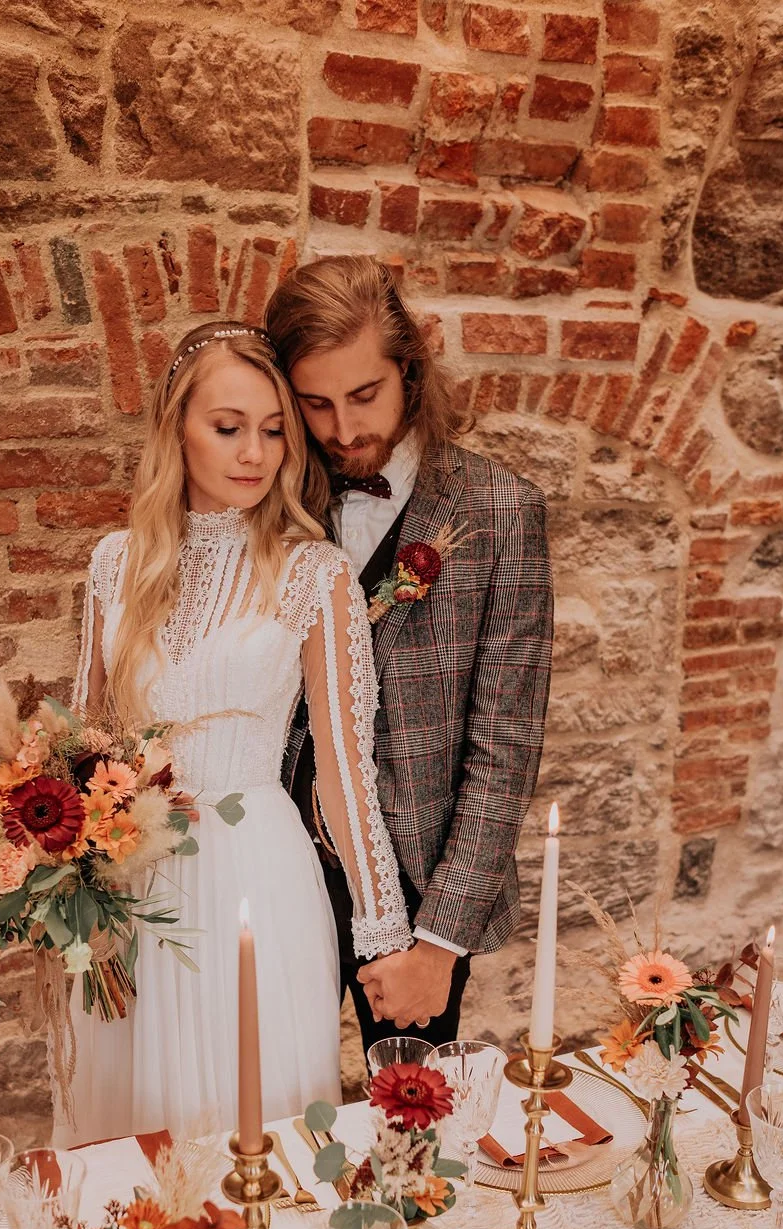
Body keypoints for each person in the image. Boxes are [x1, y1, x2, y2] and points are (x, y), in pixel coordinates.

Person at [54, 321, 412, 1146]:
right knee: (131, 1142)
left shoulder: (312, 572)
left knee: (260, 1139)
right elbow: (82, 753)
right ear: (177, 426)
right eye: (228, 427)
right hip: (129, 893)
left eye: (274, 429)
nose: (255, 452)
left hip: (257, 880)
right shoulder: (115, 563)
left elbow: (344, 771)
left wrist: (382, 931)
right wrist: (68, 899)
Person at [265, 255, 553, 1057]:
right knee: (273, 1105)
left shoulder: (499, 511)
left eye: (364, 395)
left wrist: (440, 944)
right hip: (276, 863)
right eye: (314, 404)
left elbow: (505, 749)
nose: (344, 429)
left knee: (413, 1129)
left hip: (415, 892)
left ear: (411, 371)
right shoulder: (266, 499)